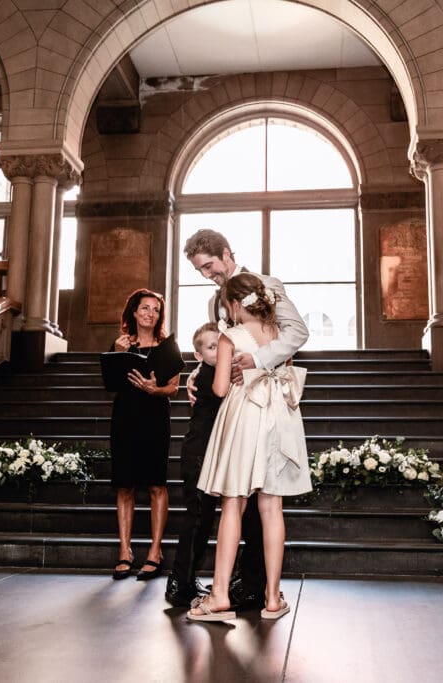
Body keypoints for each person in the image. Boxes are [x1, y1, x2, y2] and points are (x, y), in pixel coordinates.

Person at [180, 228, 309, 611]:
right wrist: (197, 373)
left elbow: (297, 332)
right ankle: (245, 588)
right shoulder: (214, 302)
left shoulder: (268, 285)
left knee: (247, 500)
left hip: (263, 401)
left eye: (209, 266)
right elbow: (213, 345)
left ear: (225, 253)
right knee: (239, 498)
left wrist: (259, 359)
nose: (208, 275)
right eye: (200, 270)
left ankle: (251, 585)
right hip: (228, 408)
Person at [108, 289, 180, 581]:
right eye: (145, 308)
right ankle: (125, 551)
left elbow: (174, 388)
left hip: (154, 417)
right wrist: (117, 353)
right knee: (124, 485)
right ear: (134, 313)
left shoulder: (167, 347)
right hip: (125, 416)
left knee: (155, 485)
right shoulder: (120, 344)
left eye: (156, 309)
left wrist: (154, 389)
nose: (151, 313)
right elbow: (110, 382)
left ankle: (154, 552)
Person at [164, 322, 223, 607]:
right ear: (198, 355)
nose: (218, 351)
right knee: (197, 520)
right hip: (198, 455)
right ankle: (178, 583)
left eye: (221, 345)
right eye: (211, 347)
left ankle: (186, 579)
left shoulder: (211, 371)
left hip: (208, 454)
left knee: (204, 520)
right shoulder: (209, 375)